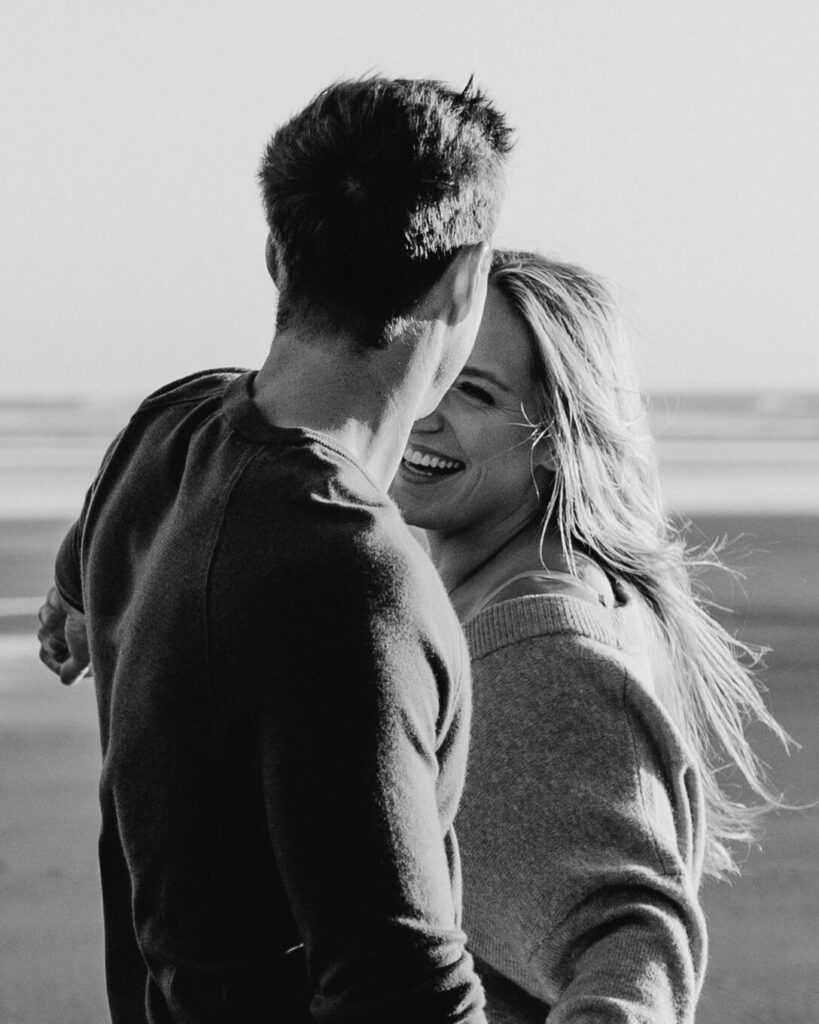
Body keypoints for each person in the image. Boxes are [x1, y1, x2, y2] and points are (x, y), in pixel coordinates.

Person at [36, 77, 513, 1023]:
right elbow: (398, 987)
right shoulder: (352, 573)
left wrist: (77, 605)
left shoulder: (165, 430)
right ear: (465, 279)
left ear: (274, 255)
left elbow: (84, 571)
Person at [390, 250, 789, 1023]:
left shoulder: (539, 643)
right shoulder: (549, 586)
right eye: (427, 371)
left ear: (552, 435)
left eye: (472, 390)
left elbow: (635, 943)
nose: (423, 410)